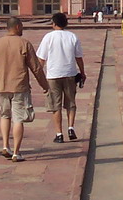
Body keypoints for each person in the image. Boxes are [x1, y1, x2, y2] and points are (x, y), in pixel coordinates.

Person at [0, 17, 49, 162]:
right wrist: (45, 85)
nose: (22, 29)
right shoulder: (24, 43)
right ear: (17, 27)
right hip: (19, 86)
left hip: (1, 86)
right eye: (21, 27)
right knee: (18, 119)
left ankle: (5, 145)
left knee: (4, 115)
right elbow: (36, 68)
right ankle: (16, 152)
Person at [37, 13, 86, 144]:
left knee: (55, 105)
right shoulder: (72, 36)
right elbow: (79, 58)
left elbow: (41, 59)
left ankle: (59, 134)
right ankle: (71, 128)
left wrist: (39, 76)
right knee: (71, 103)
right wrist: (82, 72)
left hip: (53, 75)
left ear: (53, 23)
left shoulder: (48, 37)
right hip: (70, 73)